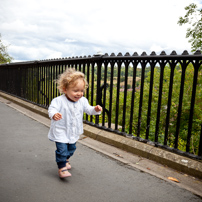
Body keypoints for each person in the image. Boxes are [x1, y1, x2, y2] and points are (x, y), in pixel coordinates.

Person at [48, 68, 102, 178]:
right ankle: (62, 167)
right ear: (65, 89)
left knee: (72, 148)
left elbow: (88, 110)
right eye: (75, 91)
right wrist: (54, 114)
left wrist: (95, 110)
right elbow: (52, 109)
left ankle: (66, 159)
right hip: (61, 130)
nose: (79, 94)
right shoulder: (58, 101)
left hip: (73, 131)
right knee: (62, 150)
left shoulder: (83, 101)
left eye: (81, 91)